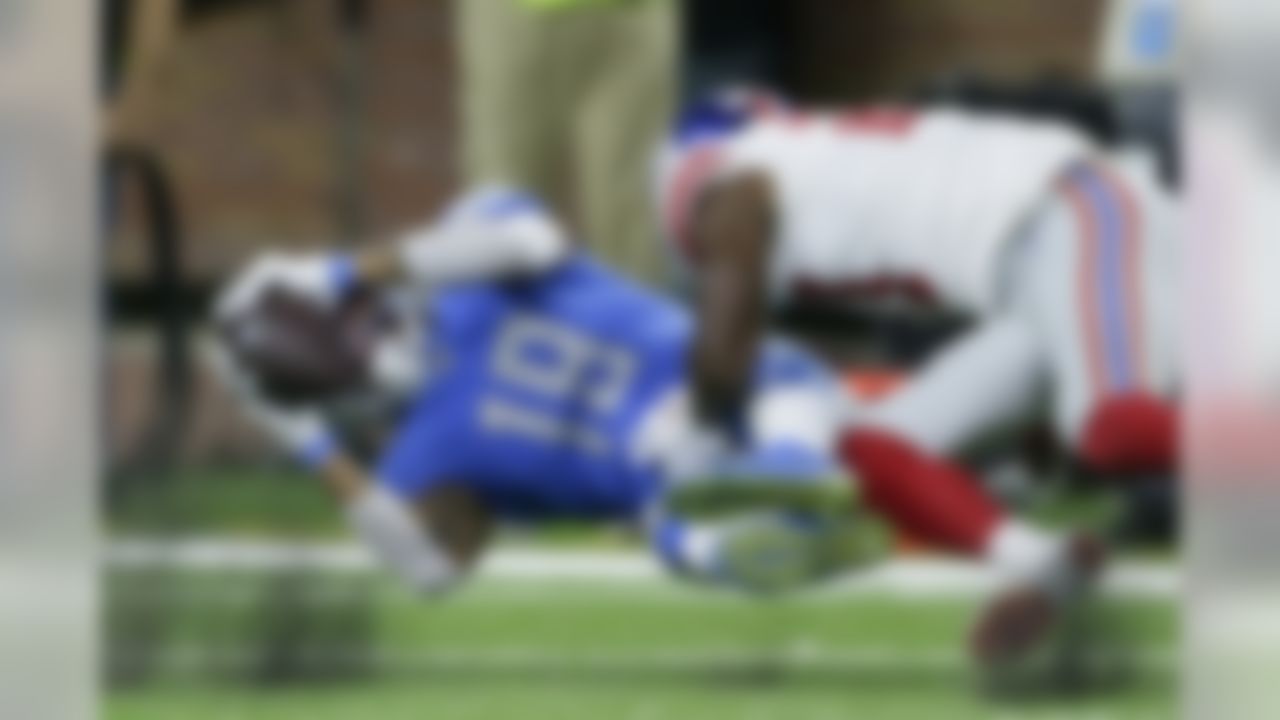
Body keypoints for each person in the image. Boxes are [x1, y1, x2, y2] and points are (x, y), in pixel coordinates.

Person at [653, 90, 1175, 661]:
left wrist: (698, 440)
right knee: (869, 450)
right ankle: (1044, 565)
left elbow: (727, 325)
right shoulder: (818, 159)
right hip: (1035, 264)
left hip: (1072, 212)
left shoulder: (735, 176)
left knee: (1114, 429)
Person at [212, 187, 865, 597]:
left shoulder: (471, 260)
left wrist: (335, 268)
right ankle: (786, 531)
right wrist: (307, 442)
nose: (368, 345)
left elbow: (533, 240)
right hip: (676, 472)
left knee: (762, 377)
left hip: (718, 379)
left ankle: (795, 475)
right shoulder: (422, 454)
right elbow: (430, 572)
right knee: (676, 525)